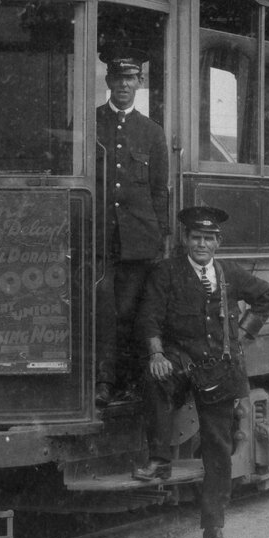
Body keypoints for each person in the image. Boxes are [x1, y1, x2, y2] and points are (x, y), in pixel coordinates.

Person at [135, 205, 269, 538]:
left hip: (219, 368)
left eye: (208, 239)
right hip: (180, 361)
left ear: (218, 242)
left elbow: (267, 297)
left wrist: (244, 335)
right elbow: (149, 317)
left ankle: (214, 527)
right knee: (155, 381)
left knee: (219, 448)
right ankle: (160, 460)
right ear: (185, 239)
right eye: (196, 238)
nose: (202, 245)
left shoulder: (230, 273)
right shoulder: (166, 272)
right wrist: (155, 355)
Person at [95, 46, 172, 407]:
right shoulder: (89, 123)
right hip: (97, 237)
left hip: (138, 241)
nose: (123, 85)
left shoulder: (152, 133)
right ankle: (102, 382)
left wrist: (161, 239)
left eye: (130, 78)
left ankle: (122, 382)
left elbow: (159, 191)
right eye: (118, 78)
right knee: (102, 310)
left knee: (127, 313)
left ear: (139, 83)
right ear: (108, 80)